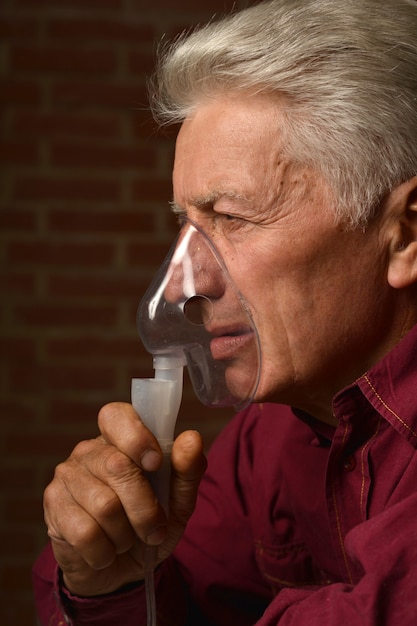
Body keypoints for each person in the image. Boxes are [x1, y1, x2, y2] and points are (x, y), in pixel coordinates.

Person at [33, 0, 417, 624]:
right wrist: (110, 584)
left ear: (405, 233)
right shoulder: (271, 437)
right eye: (187, 225)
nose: (186, 283)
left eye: (231, 218)